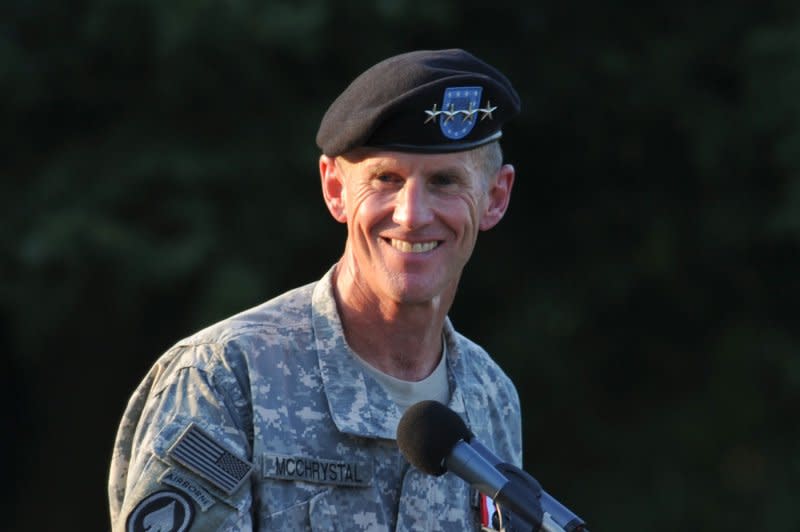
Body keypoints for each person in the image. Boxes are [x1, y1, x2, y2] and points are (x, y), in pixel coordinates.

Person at [108, 48, 523, 532]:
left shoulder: (491, 396)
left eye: (445, 181)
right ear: (334, 189)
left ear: (495, 198)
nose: (412, 215)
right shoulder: (225, 378)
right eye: (385, 180)